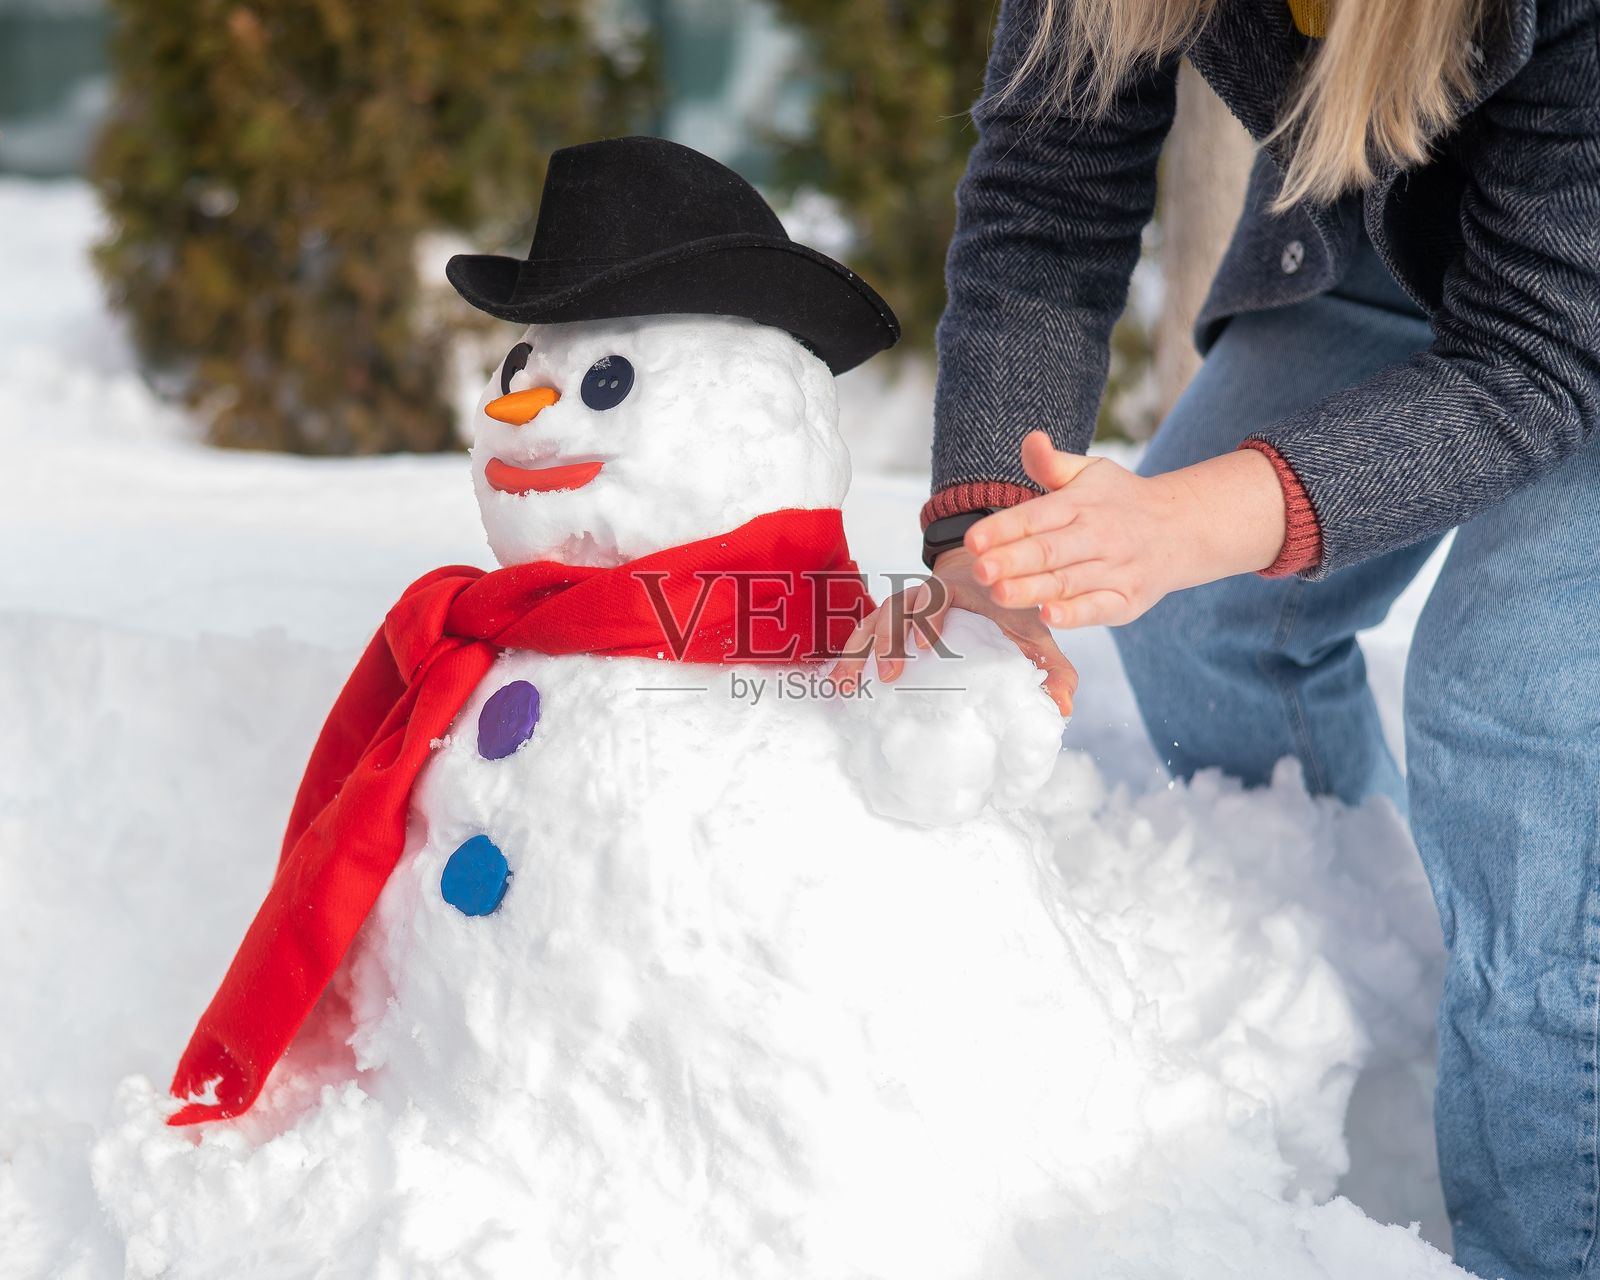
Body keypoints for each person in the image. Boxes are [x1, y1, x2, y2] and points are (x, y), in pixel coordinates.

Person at [832, 0, 1600, 1274]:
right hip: (1386, 209)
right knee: (1202, 616)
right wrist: (991, 538)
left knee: (1512, 702)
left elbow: (1537, 353)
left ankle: (1545, 1236)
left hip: (1572, 288)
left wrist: (1195, 516)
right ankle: (1396, 1020)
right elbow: (1045, 189)